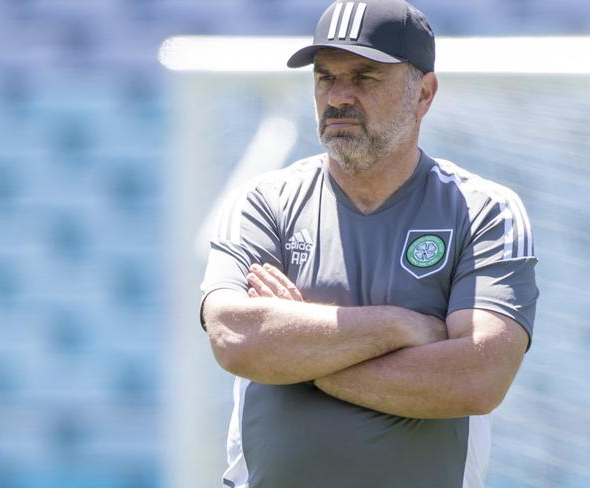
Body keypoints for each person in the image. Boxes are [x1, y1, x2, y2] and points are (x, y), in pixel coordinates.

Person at [199, 0, 539, 486]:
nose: (338, 95)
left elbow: (477, 376)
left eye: (364, 77)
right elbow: (236, 339)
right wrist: (401, 326)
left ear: (424, 94)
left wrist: (298, 356)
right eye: (324, 77)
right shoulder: (264, 202)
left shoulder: (485, 212)